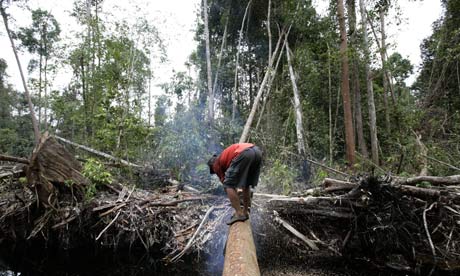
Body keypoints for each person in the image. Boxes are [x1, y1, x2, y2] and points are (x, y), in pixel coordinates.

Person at [208, 143, 262, 225]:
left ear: (212, 166)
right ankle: (245, 212)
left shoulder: (215, 164)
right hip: (257, 151)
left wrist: (234, 198)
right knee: (246, 184)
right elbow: (237, 182)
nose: (215, 171)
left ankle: (239, 214)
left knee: (228, 185)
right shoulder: (225, 157)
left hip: (244, 153)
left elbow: (226, 183)